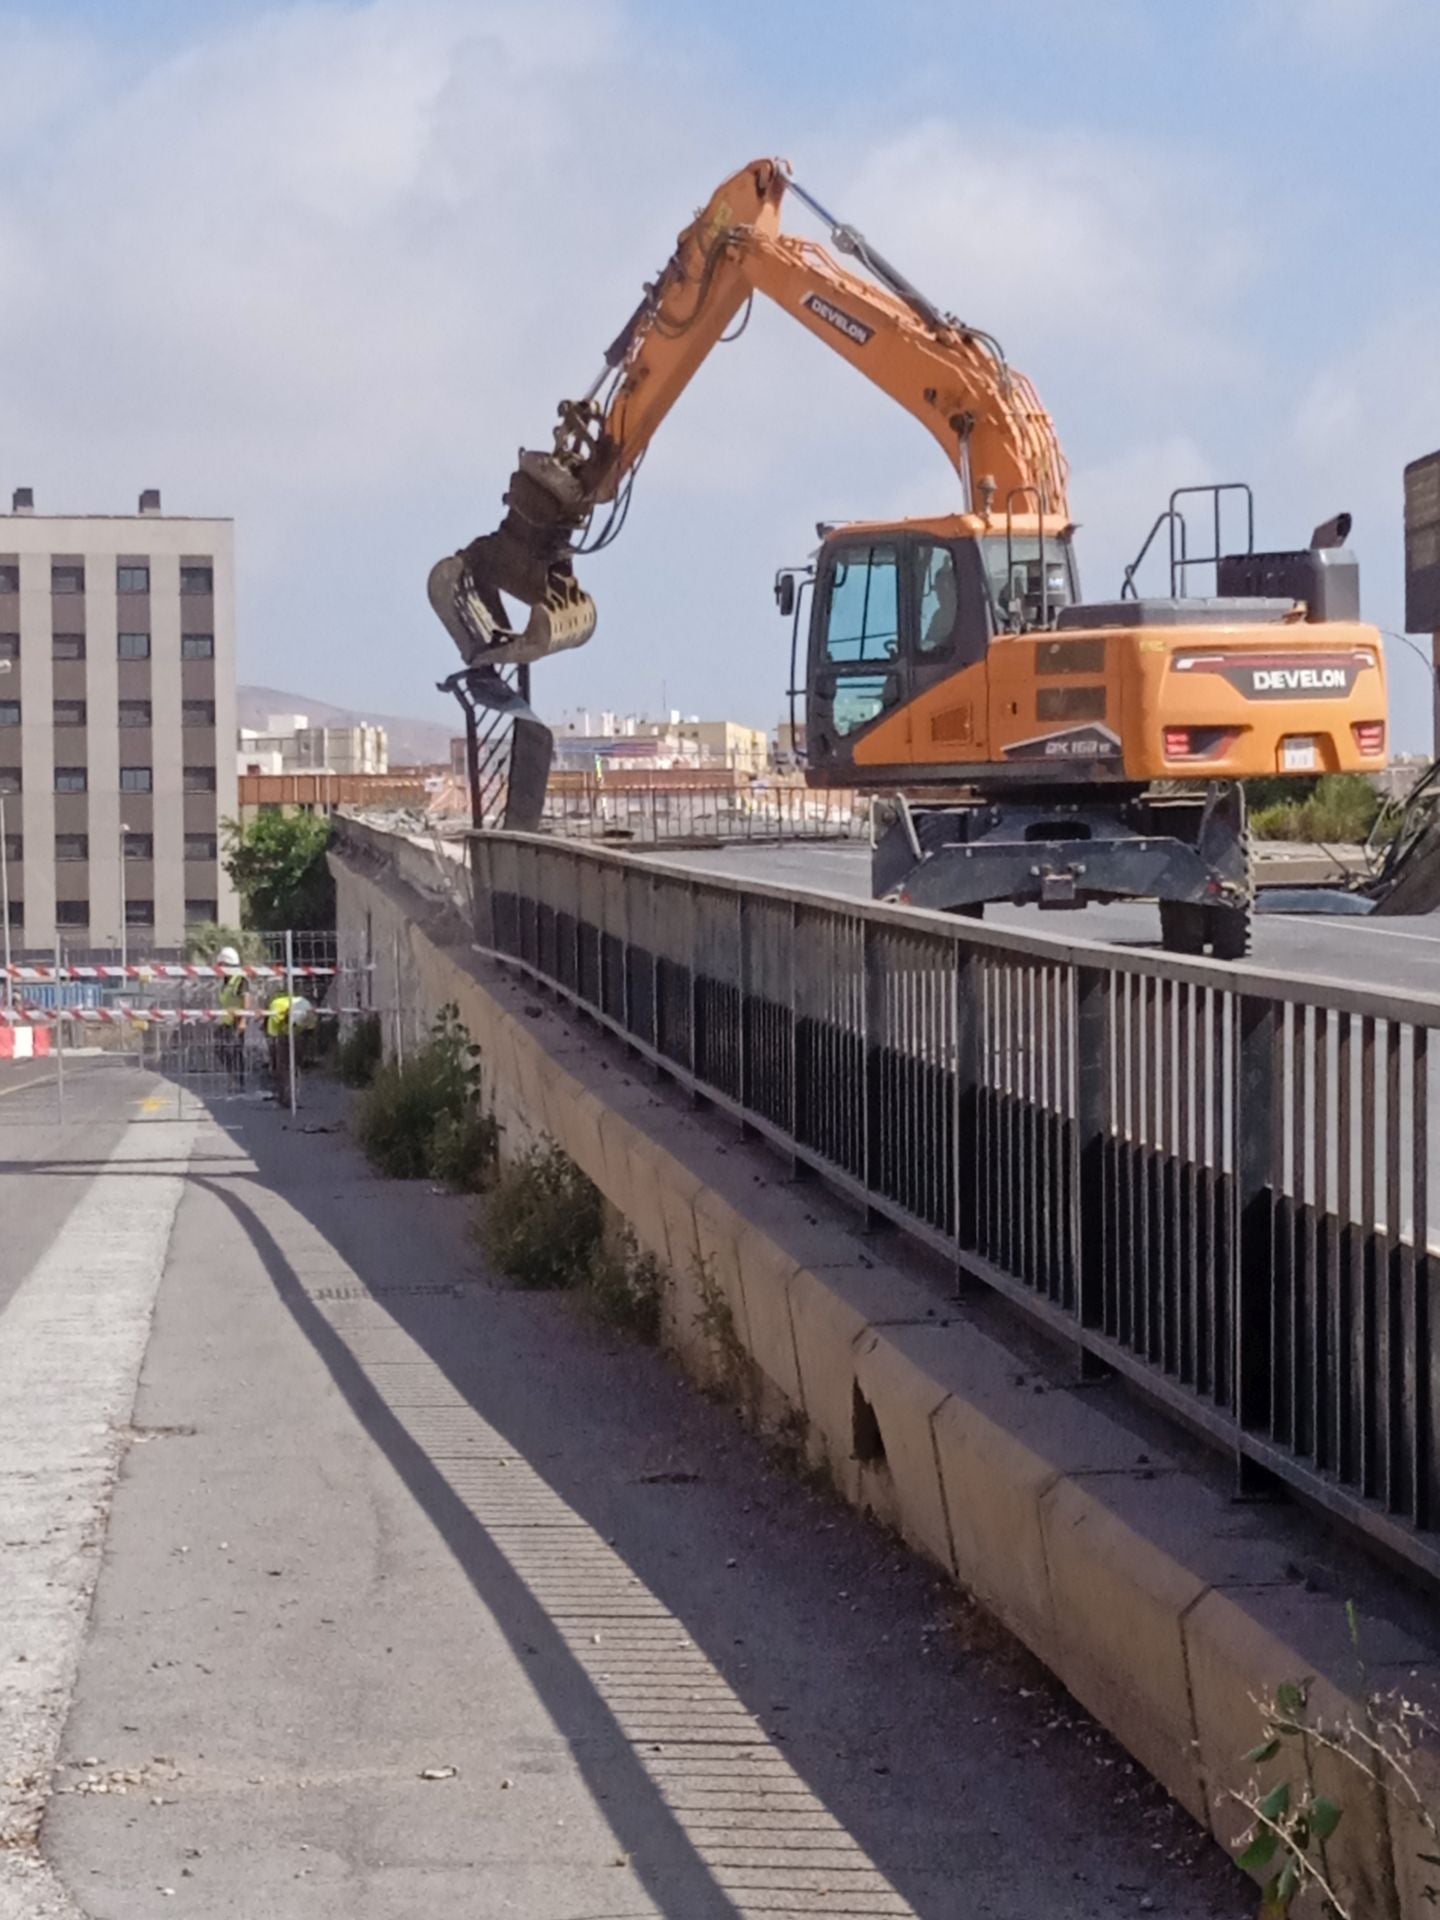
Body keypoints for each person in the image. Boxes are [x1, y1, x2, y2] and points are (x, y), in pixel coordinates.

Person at [265, 991, 314, 1108]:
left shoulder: (307, 1010)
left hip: (298, 1034)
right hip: (279, 1033)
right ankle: (284, 1096)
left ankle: (290, 1096)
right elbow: (274, 1032)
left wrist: (301, 1046)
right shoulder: (277, 1008)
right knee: (281, 1067)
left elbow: (310, 1030)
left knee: (293, 1066)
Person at [216, 946, 250, 1091]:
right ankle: (232, 1076)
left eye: (221, 964)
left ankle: (239, 1082)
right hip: (225, 1021)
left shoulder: (240, 979)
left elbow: (246, 998)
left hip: (236, 1021)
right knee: (220, 1049)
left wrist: (243, 1020)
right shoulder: (225, 980)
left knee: (235, 1052)